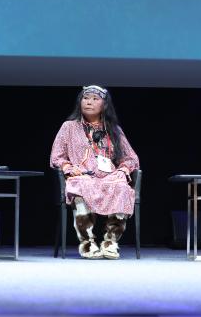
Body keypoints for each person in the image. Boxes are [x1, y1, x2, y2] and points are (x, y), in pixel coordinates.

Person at [50, 85, 140, 259]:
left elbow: (131, 158)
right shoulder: (69, 127)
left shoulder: (114, 130)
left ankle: (111, 242)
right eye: (85, 98)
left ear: (104, 105)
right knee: (80, 185)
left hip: (109, 176)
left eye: (94, 99)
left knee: (121, 186)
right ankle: (88, 243)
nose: (89, 102)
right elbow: (57, 156)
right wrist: (68, 167)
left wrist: (123, 170)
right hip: (82, 175)